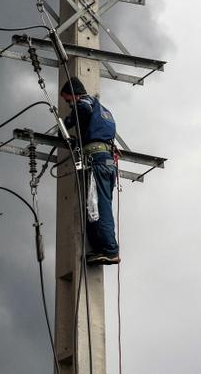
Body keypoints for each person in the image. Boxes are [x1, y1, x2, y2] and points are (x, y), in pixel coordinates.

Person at [60, 76, 120, 265]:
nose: (69, 104)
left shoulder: (86, 102)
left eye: (68, 100)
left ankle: (110, 250)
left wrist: (68, 122)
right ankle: (102, 248)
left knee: (99, 208)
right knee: (94, 207)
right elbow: (95, 134)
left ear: (75, 95)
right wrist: (77, 142)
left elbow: (82, 108)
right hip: (106, 163)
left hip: (98, 163)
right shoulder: (104, 111)